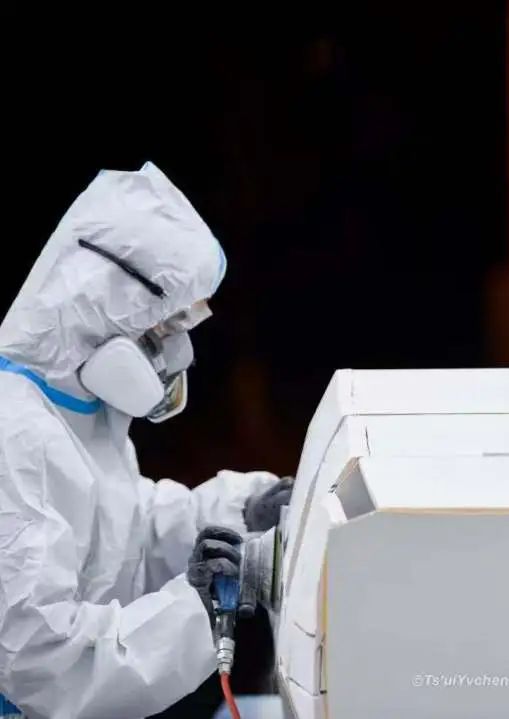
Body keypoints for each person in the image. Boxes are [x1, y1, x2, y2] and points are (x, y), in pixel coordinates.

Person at [0, 163, 292, 718]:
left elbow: (126, 535)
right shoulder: (13, 435)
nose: (178, 354)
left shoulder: (80, 412)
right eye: (160, 331)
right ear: (93, 311)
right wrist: (194, 609)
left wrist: (238, 514)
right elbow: (43, 663)